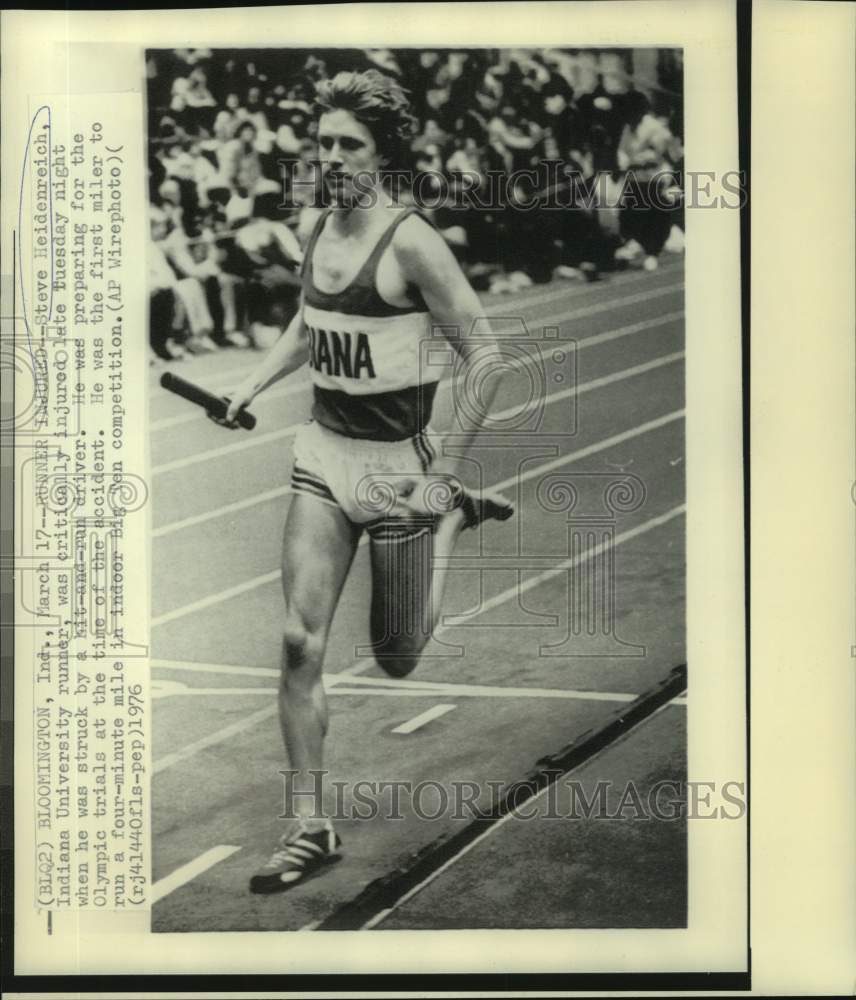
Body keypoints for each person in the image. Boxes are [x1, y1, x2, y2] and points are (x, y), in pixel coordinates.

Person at [221, 69, 513, 894]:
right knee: (296, 640)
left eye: (350, 144)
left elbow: (487, 359)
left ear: (383, 154)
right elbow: (311, 324)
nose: (333, 157)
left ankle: (450, 521)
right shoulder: (315, 224)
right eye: (324, 143)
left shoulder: (413, 240)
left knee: (397, 658)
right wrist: (252, 383)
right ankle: (306, 825)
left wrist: (442, 479)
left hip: (399, 472)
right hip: (324, 454)